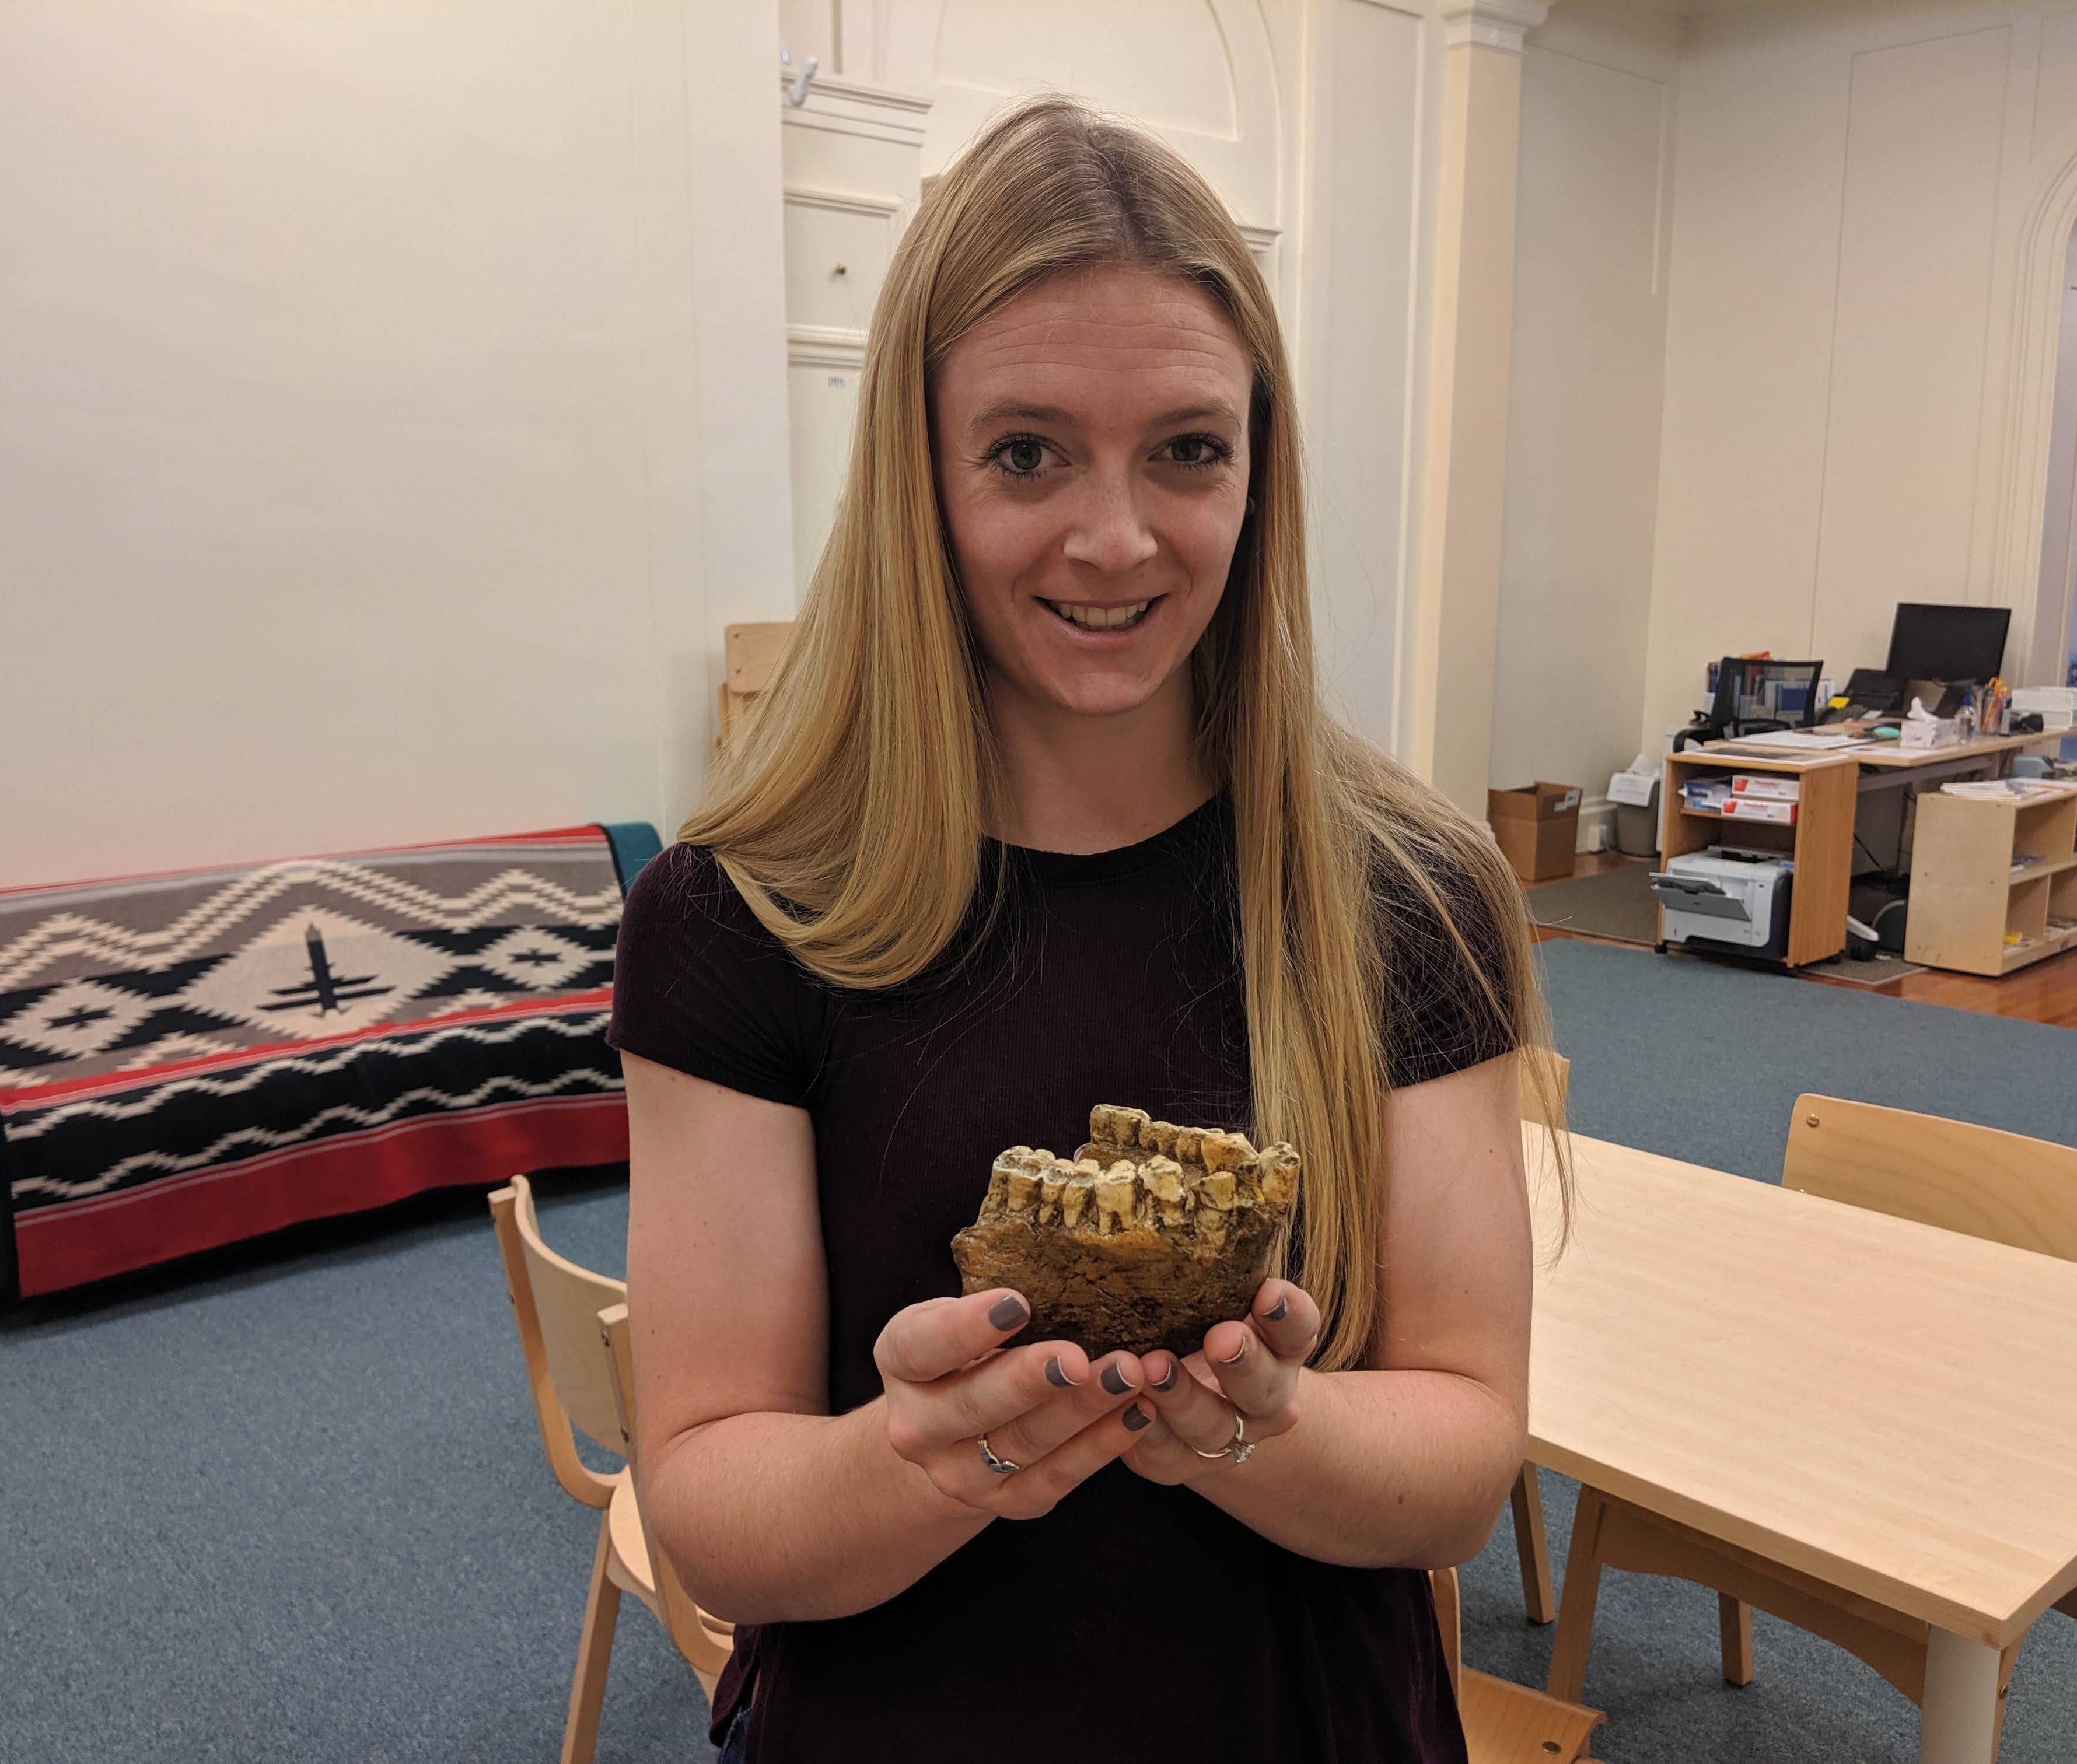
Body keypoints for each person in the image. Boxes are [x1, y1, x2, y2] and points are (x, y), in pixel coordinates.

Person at [607, 94, 1563, 1764]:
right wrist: (923, 1454)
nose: (1115, 538)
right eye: (1027, 451)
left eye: (1187, 449)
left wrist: (1258, 1426)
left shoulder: (1408, 889)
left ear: (1259, 472)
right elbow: (708, 1491)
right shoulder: (748, 912)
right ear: (923, 475)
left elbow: (1464, 1456)